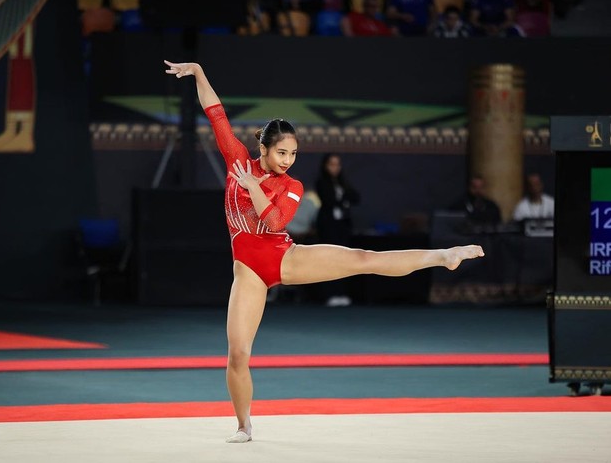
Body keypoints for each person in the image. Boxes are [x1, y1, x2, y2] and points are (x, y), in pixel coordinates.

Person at [164, 59, 485, 444]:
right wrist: (199, 72)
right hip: (248, 270)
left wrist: (253, 187)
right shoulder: (237, 162)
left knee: (364, 259)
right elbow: (216, 114)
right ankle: (244, 425)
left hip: (286, 257)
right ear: (262, 148)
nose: (287, 161)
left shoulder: (293, 186)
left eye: (293, 154)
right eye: (281, 153)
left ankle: (443, 256)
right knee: (237, 355)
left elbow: (276, 223)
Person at [315, 153, 361, 306]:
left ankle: (342, 292)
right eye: (332, 164)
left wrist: (343, 200)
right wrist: (343, 201)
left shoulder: (343, 182)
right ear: (325, 166)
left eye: (337, 164)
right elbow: (329, 200)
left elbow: (355, 197)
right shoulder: (321, 182)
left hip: (342, 226)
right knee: (329, 258)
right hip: (328, 226)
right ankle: (330, 293)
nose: (335, 168)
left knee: (344, 258)